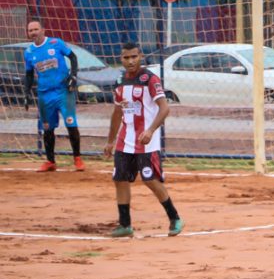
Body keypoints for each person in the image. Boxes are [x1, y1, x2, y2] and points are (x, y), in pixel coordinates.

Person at [103, 42, 183, 238]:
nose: (130, 61)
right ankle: (125, 224)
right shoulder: (120, 80)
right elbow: (117, 112)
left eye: (133, 57)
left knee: (150, 179)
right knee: (120, 179)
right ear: (120, 59)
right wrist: (110, 140)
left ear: (141, 56)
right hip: (125, 139)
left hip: (146, 140)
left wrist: (150, 130)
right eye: (125, 58)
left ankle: (174, 218)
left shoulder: (150, 79)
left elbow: (165, 108)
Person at [22, 20, 84, 172]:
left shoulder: (56, 43)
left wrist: (73, 76)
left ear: (43, 30)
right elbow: (29, 74)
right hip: (44, 94)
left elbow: (73, 57)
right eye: (31, 31)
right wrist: (26, 93)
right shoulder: (29, 52)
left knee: (71, 123)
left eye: (36, 29)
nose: (34, 32)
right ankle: (50, 161)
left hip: (63, 90)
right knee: (47, 128)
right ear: (28, 33)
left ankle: (77, 158)